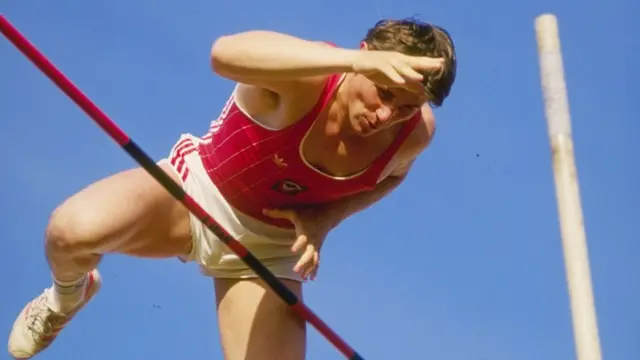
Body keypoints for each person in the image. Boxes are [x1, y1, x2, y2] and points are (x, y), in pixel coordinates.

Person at [7, 17, 457, 360]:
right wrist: (354, 62)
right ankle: (68, 295)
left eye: (405, 106)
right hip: (195, 195)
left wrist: (327, 219)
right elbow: (224, 54)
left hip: (267, 251)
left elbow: (393, 176)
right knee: (70, 231)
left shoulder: (414, 134)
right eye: (383, 92)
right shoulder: (309, 78)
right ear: (364, 58)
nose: (385, 115)